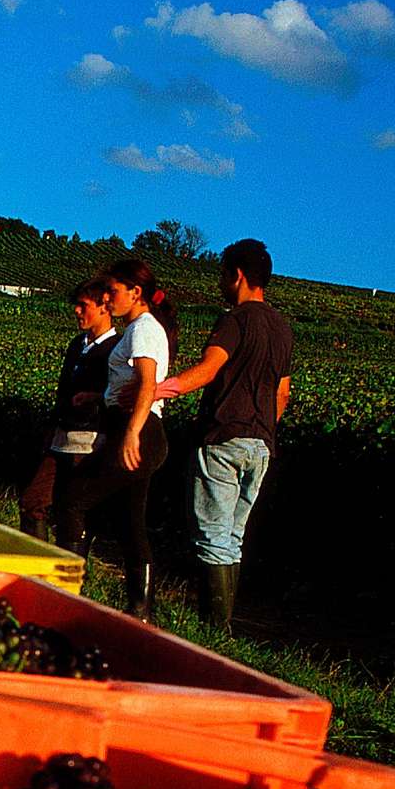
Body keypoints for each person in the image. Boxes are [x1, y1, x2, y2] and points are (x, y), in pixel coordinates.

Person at [154, 238, 292, 628]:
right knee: (233, 536)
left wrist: (162, 387)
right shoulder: (282, 328)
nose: (220, 283)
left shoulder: (234, 320)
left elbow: (209, 369)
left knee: (212, 536)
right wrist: (261, 429)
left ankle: (213, 630)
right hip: (262, 442)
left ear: (237, 276)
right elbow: (282, 393)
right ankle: (222, 629)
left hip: (223, 438)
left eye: (222, 274)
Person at [53, 259, 177, 622]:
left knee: (75, 501)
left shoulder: (142, 329)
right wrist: (99, 398)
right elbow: (132, 385)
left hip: (139, 431)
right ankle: (140, 611)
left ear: (135, 293)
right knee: (130, 522)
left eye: (113, 291)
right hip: (134, 427)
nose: (108, 298)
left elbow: (147, 384)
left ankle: (65, 591)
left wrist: (131, 434)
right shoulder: (139, 329)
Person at [20, 279, 116, 541]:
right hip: (61, 438)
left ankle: (69, 572)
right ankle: (36, 568)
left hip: (89, 442)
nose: (77, 311)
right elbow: (63, 391)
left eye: (83, 305)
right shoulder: (78, 344)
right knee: (33, 502)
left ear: (104, 308)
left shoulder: (115, 350)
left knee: (70, 510)